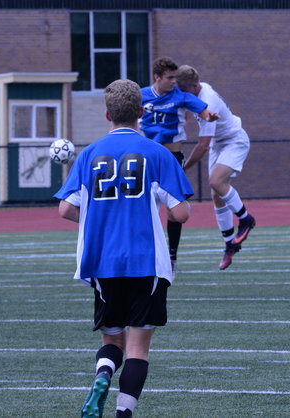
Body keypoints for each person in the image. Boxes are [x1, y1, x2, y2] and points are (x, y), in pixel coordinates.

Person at [55, 79, 193, 417]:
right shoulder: (157, 153)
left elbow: (66, 209)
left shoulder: (88, 155)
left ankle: (103, 373)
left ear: (107, 114)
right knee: (138, 349)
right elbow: (181, 213)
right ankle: (123, 413)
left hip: (102, 262)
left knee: (112, 342)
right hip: (146, 261)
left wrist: (99, 219)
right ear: (141, 112)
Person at [139, 57, 217, 270]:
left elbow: (202, 110)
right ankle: (148, 253)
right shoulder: (141, 95)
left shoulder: (180, 96)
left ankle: (172, 255)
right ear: (157, 77)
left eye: (175, 77)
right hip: (147, 159)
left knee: (175, 212)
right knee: (144, 207)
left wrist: (208, 116)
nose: (174, 81)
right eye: (169, 77)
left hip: (172, 159)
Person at [176, 65, 256, 270]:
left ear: (194, 86)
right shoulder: (196, 90)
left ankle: (246, 219)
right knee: (216, 193)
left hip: (234, 140)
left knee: (216, 182)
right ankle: (230, 244)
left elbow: (203, 146)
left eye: (184, 90)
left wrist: (184, 168)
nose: (182, 94)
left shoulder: (208, 101)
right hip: (219, 144)